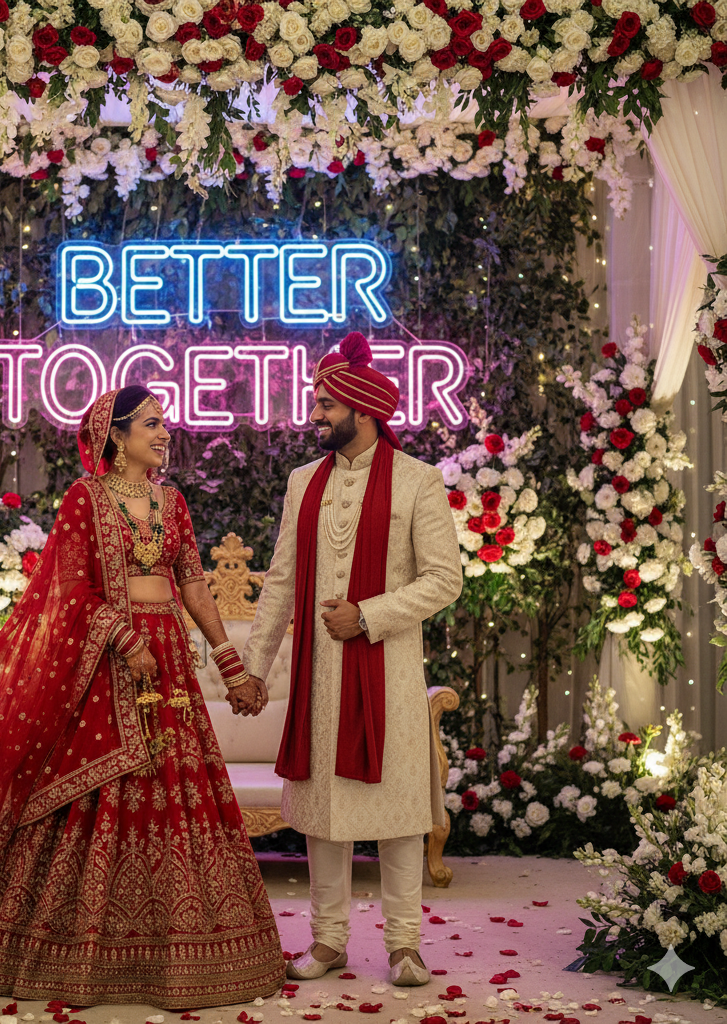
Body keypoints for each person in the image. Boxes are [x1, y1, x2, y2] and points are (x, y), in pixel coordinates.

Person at [0, 385, 285, 1008]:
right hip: (107, 668)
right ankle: (77, 952)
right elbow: (68, 589)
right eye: (151, 424)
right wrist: (122, 636)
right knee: (97, 798)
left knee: (175, 797)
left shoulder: (171, 502)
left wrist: (229, 665)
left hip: (167, 663)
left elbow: (193, 584)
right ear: (117, 436)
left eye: (165, 423)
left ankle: (178, 949)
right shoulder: (86, 499)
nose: (165, 433)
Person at [238, 332, 462, 987]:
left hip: (388, 673)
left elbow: (444, 580)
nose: (314, 414)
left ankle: (404, 946)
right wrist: (255, 668)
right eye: (315, 400)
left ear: (363, 411)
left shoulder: (417, 482)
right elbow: (280, 580)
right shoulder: (302, 481)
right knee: (325, 817)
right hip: (319, 680)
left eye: (325, 403)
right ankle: (328, 942)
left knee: (396, 815)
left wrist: (368, 614)